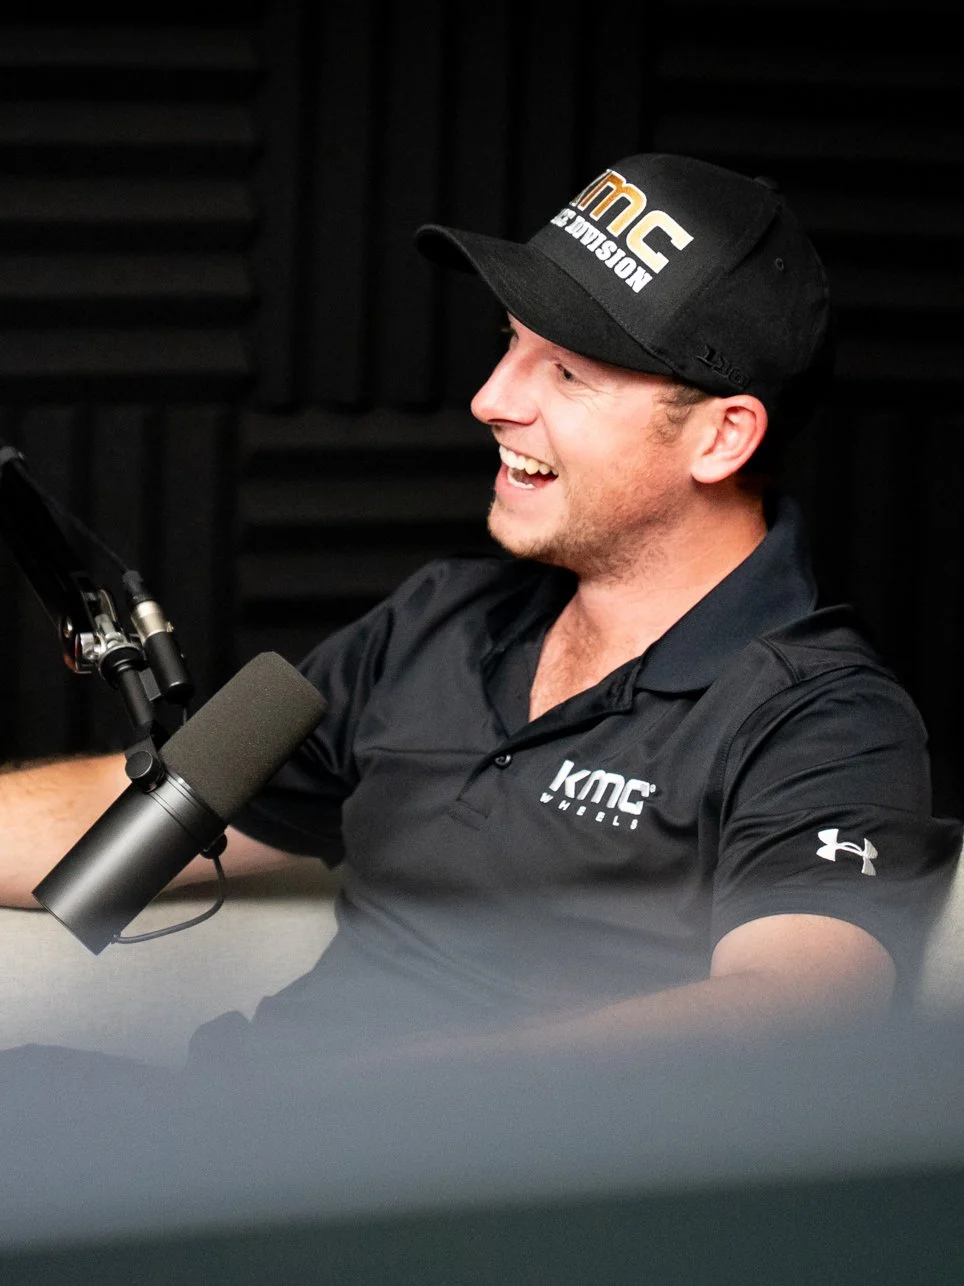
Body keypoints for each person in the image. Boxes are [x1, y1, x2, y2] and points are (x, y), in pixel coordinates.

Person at [0, 153, 959, 1071]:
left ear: (721, 437)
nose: (490, 399)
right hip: (219, 1130)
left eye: (568, 373)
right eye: (511, 344)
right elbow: (136, 815)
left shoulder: (822, 718)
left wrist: (372, 1105)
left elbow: (795, 1014)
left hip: (440, 1200)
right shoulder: (439, 621)